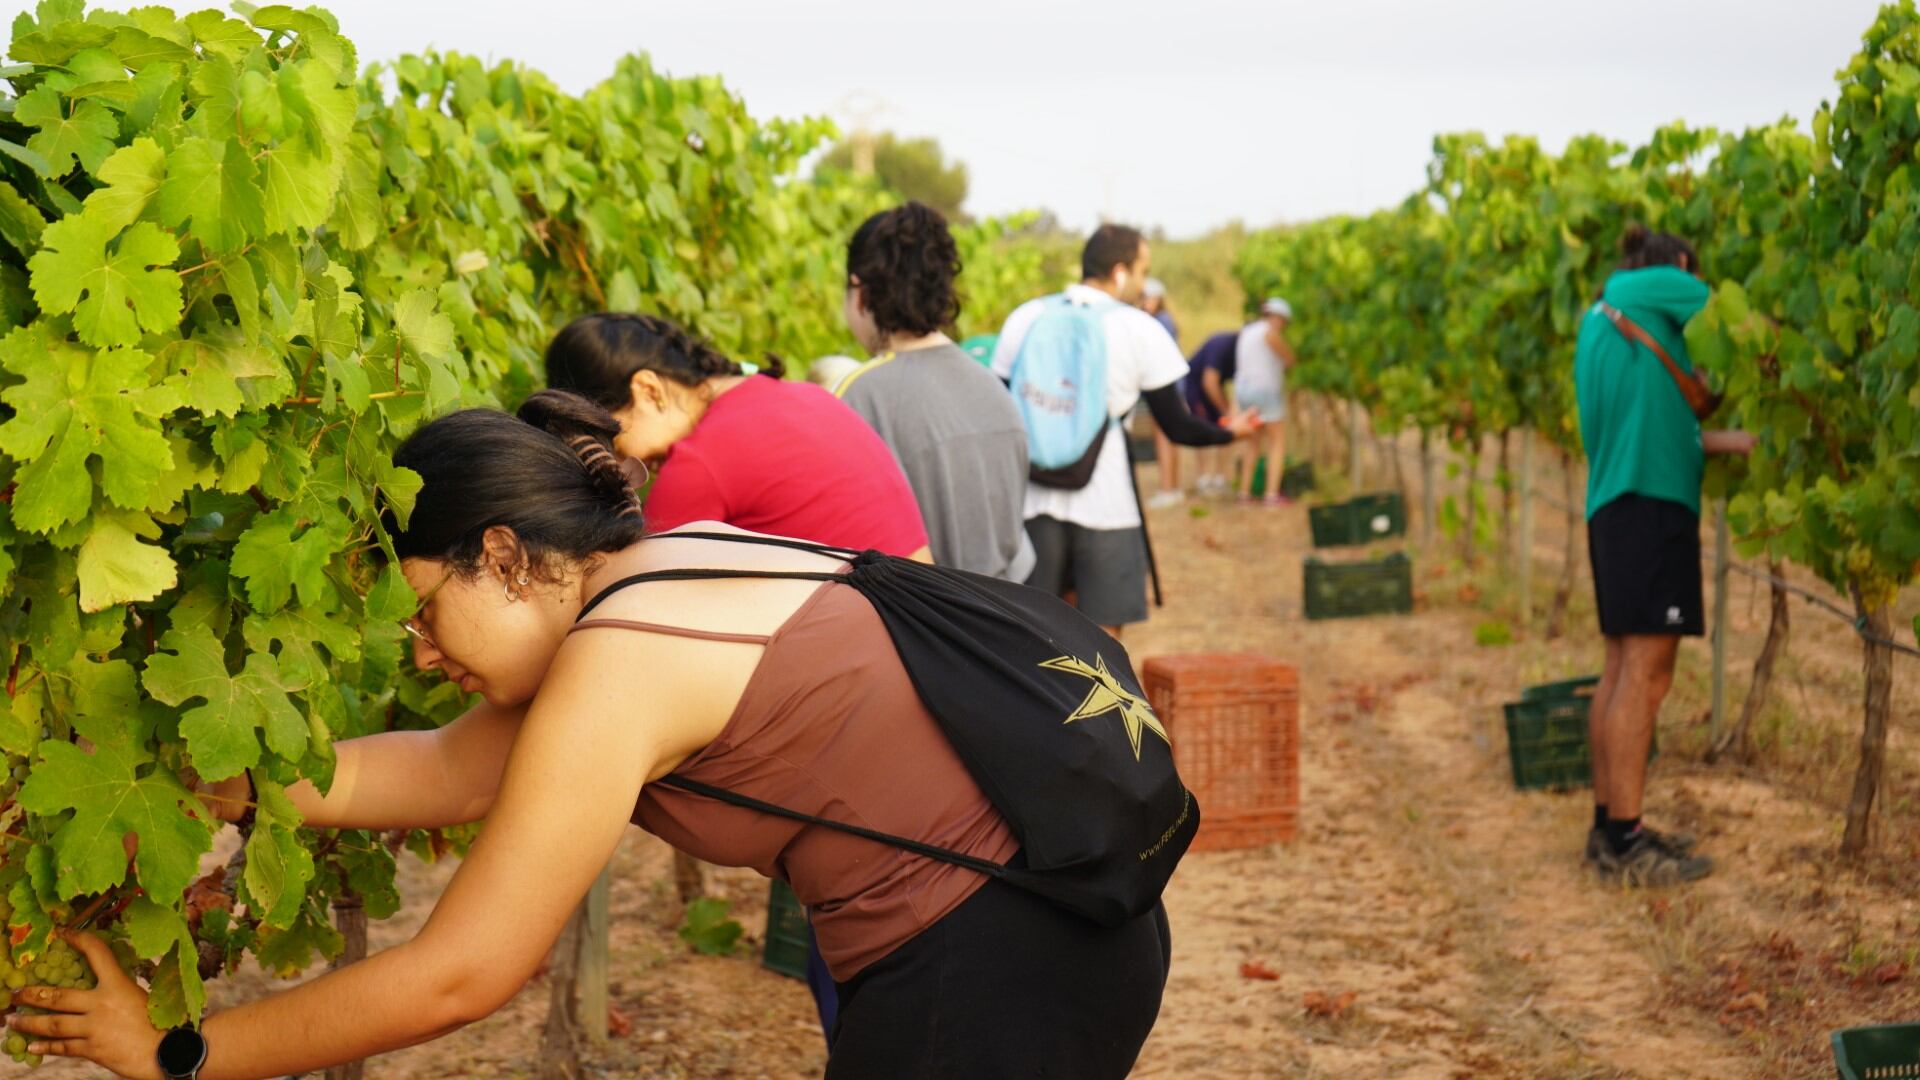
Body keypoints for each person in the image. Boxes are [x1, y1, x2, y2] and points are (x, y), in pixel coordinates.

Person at [18, 394, 1175, 1079]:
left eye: (426, 610)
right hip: (1062, 929)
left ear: (507, 555)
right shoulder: (680, 552)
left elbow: (456, 975)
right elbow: (454, 766)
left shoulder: (617, 667)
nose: (419, 653)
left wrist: (178, 1055)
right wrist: (231, 791)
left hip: (988, 983)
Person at [1574, 225, 1755, 886]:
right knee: (1649, 674)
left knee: (1622, 666)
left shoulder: (1601, 319)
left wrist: (1732, 441)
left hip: (1615, 506)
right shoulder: (1661, 286)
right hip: (1651, 506)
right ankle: (1628, 844)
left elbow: (1658, 425)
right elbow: (1741, 324)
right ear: (1678, 265)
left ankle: (1609, 831)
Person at [992, 224, 1254, 635]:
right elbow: (1178, 426)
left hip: (1031, 500)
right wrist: (1229, 432)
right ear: (1119, 272)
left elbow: (1000, 406)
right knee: (1102, 646)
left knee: (1033, 638)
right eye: (1141, 270)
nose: (1142, 282)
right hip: (1106, 505)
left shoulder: (1026, 318)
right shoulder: (1138, 328)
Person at [544, 312, 931, 561]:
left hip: (874, 655)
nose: (630, 466)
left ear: (648, 390)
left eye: (610, 444)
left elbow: (629, 607)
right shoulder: (803, 395)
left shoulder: (698, 464)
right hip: (931, 632)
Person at [836, 202, 1036, 581]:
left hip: (915, 627)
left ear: (859, 291)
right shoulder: (993, 389)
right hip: (999, 619)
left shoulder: (859, 395)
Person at [1234, 298, 1296, 505]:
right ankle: (1271, 494)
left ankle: (1244, 493)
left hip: (1243, 391)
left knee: (1252, 441)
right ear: (1278, 318)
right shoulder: (1269, 333)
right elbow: (1289, 359)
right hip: (1265, 391)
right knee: (1277, 441)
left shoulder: (1248, 331)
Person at [1139, 278, 1186, 509]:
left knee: (1164, 438)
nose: (1145, 302)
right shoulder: (1163, 320)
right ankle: (1172, 488)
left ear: (1159, 299)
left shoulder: (1159, 323)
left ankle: (1168, 489)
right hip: (1171, 386)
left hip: (1166, 388)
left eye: (1149, 298)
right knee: (1168, 437)